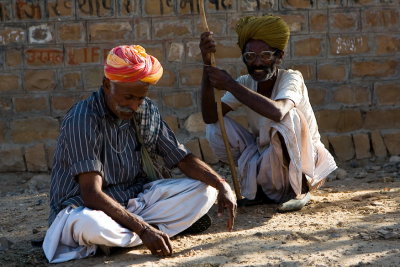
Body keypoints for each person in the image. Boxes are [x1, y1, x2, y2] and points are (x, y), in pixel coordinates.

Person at [43, 45, 236, 263]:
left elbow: (181, 157)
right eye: (128, 97)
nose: (134, 105)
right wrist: (144, 229)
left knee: (205, 190)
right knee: (89, 225)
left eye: (140, 98)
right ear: (107, 85)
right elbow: (91, 194)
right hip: (85, 207)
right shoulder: (83, 119)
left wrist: (222, 184)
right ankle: (146, 232)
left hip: (135, 200)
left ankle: (124, 237)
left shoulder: (145, 110)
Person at [199, 15, 337, 212]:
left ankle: (299, 191)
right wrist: (206, 65)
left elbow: (278, 111)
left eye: (265, 56)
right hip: (267, 157)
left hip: (305, 163)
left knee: (289, 116)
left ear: (279, 56)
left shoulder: (291, 78)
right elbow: (210, 116)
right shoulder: (246, 83)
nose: (257, 63)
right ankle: (261, 191)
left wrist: (229, 84)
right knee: (216, 126)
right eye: (250, 57)